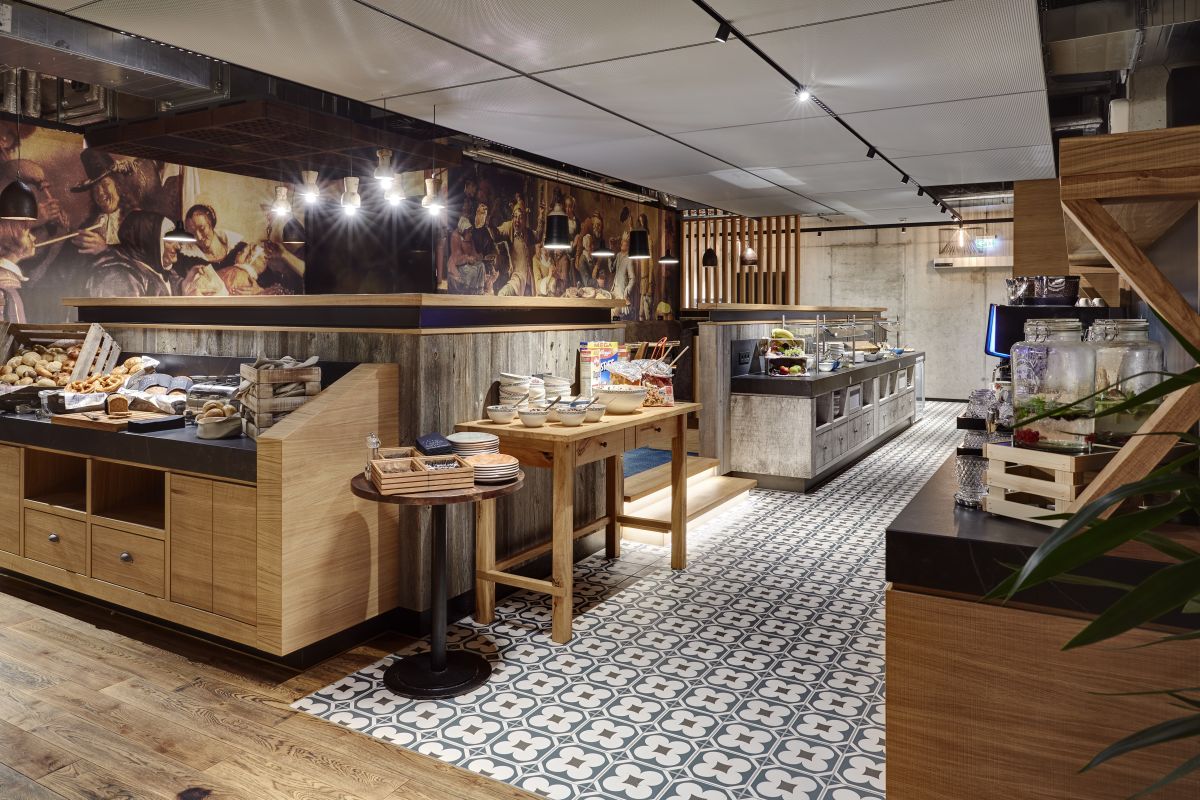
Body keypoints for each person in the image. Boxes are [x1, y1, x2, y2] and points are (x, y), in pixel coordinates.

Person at [85, 211, 184, 298]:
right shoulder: (118, 275)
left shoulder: (164, 272)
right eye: (170, 240)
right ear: (148, 240)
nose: (178, 247)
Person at [179, 203, 244, 268]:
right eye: (193, 233)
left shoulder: (239, 249)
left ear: (211, 223)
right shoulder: (190, 260)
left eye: (202, 229)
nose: (199, 237)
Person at [0, 220, 35, 322]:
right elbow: (16, 329)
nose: (34, 238)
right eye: (27, 235)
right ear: (11, 243)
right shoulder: (7, 285)